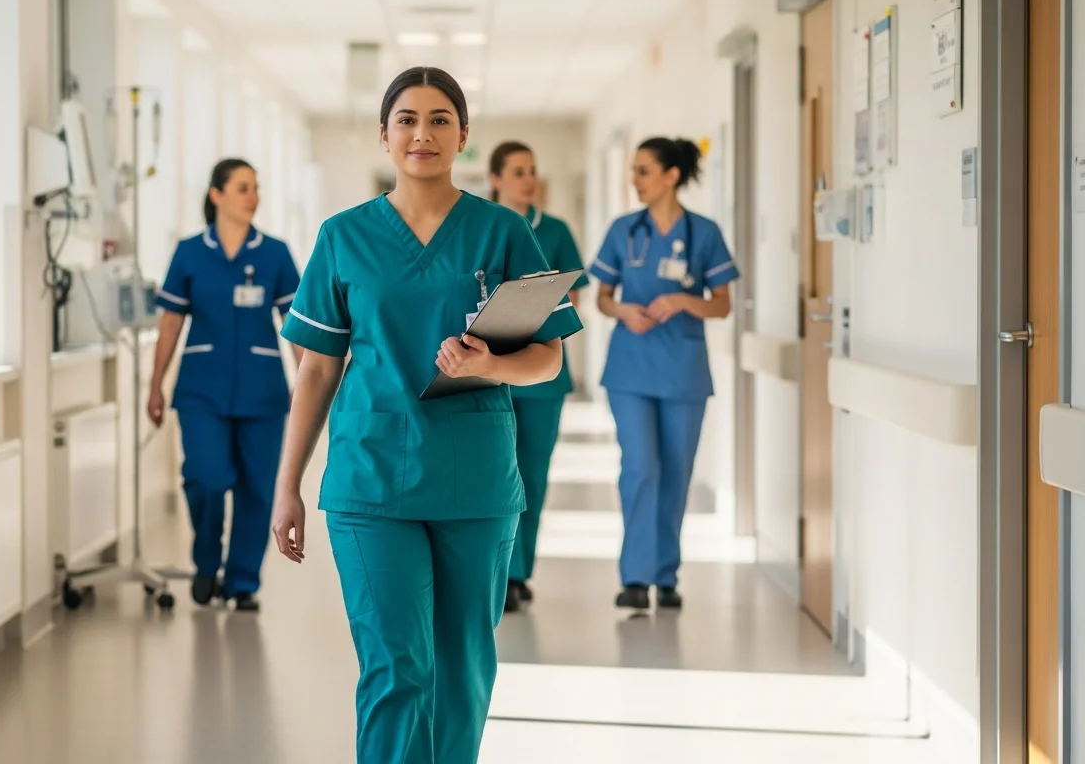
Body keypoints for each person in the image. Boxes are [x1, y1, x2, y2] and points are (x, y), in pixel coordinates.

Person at [271, 67, 583, 764]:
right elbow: (317, 367)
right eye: (407, 119)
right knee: (396, 668)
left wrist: (489, 365)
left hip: (472, 478)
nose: (423, 133)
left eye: (441, 119)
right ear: (384, 135)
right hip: (370, 476)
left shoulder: (501, 232)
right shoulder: (343, 236)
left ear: (464, 136)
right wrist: (286, 483)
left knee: (463, 670)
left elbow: (548, 358)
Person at [588, 137, 740, 612]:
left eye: (644, 170)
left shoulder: (705, 233)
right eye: (634, 170)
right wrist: (621, 310)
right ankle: (635, 576)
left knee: (676, 473)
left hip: (684, 373)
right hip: (631, 369)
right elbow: (601, 296)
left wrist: (682, 301)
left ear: (672, 175)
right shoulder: (623, 230)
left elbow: (722, 305)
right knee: (640, 468)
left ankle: (666, 574)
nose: (634, 179)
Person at [147, 157, 302, 612]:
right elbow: (170, 323)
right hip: (200, 389)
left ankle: (241, 582)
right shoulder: (190, 252)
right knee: (206, 477)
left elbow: (295, 322)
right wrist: (154, 385)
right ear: (216, 195)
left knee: (257, 487)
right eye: (242, 188)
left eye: (255, 188)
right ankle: (206, 561)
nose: (253, 197)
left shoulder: (274, 253)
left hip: (263, 390)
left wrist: (308, 382)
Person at [486, 141, 590, 613]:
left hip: (544, 377)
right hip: (490, 373)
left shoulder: (557, 231)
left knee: (532, 475)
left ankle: (518, 572)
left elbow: (575, 299)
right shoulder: (482, 227)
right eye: (518, 171)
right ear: (496, 179)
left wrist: (532, 318)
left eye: (533, 170)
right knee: (493, 476)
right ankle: (495, 570)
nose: (528, 180)